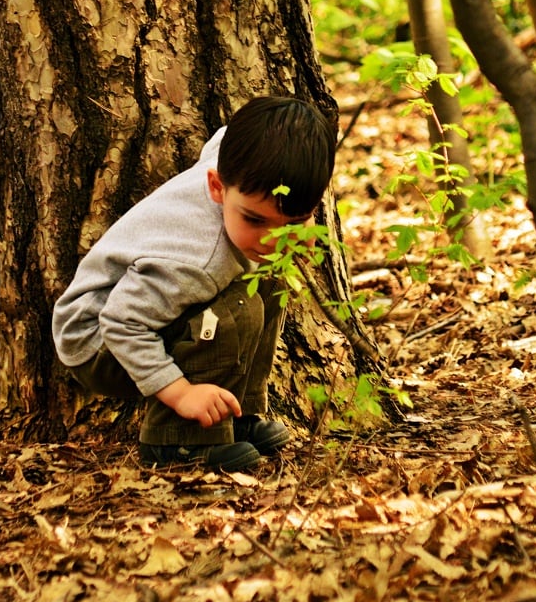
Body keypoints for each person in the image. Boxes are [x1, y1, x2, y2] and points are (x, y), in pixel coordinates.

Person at [52, 96, 337, 472]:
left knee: (269, 280)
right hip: (98, 341)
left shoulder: (237, 160)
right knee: (240, 309)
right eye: (255, 220)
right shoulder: (198, 260)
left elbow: (222, 137)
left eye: (293, 222)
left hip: (143, 311)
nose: (272, 239)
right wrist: (181, 393)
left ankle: (234, 414)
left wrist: (302, 227)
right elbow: (121, 322)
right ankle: (178, 439)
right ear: (217, 186)